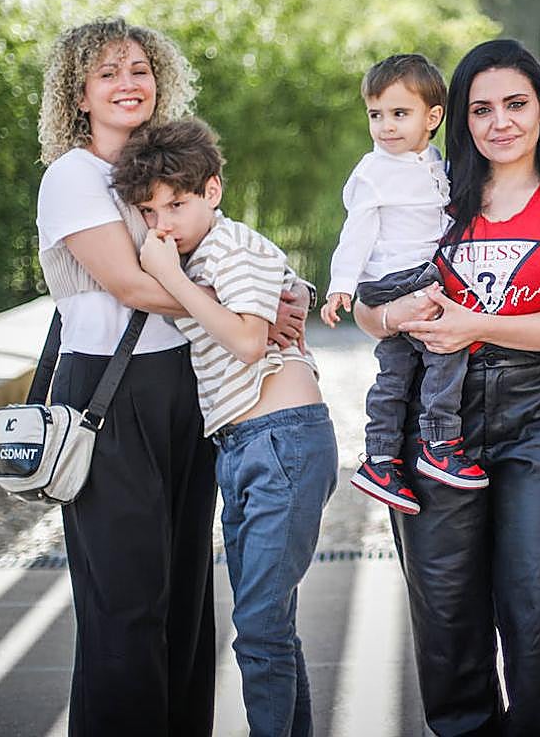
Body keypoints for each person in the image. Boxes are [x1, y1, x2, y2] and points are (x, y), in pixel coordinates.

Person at [35, 18, 308, 735]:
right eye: (107, 73)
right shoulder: (74, 176)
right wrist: (237, 317)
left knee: (186, 595)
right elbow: (130, 283)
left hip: (185, 390)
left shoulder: (164, 170)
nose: (128, 84)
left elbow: (227, 250)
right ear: (80, 94)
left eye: (139, 69)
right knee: (125, 603)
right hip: (107, 393)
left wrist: (285, 289)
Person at [354, 38, 540, 736]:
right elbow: (367, 301)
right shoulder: (431, 190)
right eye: (481, 108)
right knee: (445, 614)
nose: (498, 121)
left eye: (515, 104)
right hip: (437, 416)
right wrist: (388, 314)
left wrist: (478, 323)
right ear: (458, 118)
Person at [111, 117, 337, 737]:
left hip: (281, 440)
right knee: (270, 627)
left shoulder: (230, 247)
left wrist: (172, 277)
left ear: (212, 191)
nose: (164, 223)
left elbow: (244, 340)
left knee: (260, 631)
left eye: (178, 204)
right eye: (151, 210)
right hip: (242, 446)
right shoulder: (201, 250)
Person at [321, 54, 481, 517]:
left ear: (432, 117)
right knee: (448, 347)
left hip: (413, 273)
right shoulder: (375, 171)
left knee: (396, 371)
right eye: (376, 115)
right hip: (398, 277)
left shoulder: (431, 160)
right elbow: (357, 232)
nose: (386, 126)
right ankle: (439, 443)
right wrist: (342, 285)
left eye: (399, 114)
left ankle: (380, 459)